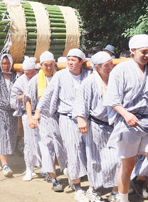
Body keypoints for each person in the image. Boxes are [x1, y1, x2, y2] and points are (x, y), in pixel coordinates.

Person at [103, 34, 148, 202]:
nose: (146, 55)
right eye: (143, 51)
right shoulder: (120, 70)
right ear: (132, 51)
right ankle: (123, 198)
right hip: (128, 124)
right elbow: (112, 99)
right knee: (127, 167)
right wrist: (126, 115)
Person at [37, 48, 91, 202]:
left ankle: (90, 185)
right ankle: (78, 189)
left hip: (87, 120)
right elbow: (47, 94)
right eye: (68, 60)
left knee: (88, 152)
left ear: (81, 61)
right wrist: (38, 111)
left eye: (73, 60)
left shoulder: (88, 75)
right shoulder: (60, 75)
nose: (70, 63)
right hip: (67, 118)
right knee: (73, 151)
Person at [73, 51, 120, 202]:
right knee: (95, 160)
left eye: (111, 63)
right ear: (97, 68)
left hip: (114, 125)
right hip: (96, 126)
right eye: (107, 65)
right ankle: (92, 189)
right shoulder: (89, 82)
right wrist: (81, 119)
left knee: (117, 159)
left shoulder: (116, 79)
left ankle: (115, 191)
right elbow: (80, 103)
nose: (111, 67)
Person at [28, 51, 68, 192]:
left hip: (59, 116)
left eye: (51, 64)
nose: (49, 67)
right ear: (41, 65)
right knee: (47, 147)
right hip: (43, 117)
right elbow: (28, 100)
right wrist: (30, 117)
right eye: (46, 65)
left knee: (63, 144)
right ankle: (54, 179)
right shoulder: (35, 80)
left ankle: (68, 171)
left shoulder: (60, 77)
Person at [10, 56, 40, 181]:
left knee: (42, 141)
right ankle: (29, 168)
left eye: (32, 72)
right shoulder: (20, 81)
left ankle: (45, 168)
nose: (29, 75)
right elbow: (12, 99)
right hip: (26, 114)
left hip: (41, 114)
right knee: (28, 142)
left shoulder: (41, 77)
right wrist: (24, 97)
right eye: (27, 73)